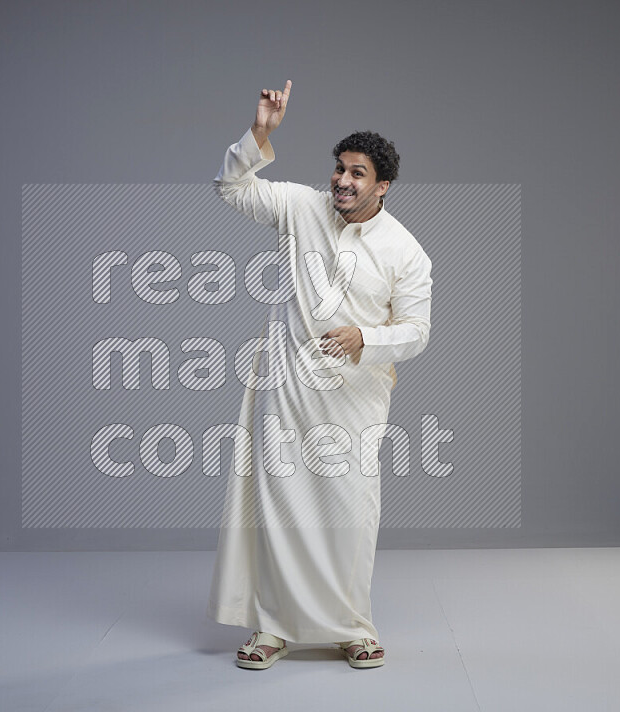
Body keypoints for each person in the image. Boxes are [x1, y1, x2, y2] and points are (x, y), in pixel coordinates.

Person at [206, 79, 433, 669]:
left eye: (358, 173)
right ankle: (273, 628)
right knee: (280, 505)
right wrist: (260, 133)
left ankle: (353, 625)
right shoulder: (300, 206)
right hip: (285, 387)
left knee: (349, 510)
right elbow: (231, 188)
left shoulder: (406, 251)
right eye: (339, 168)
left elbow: (416, 331)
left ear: (382, 186)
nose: (342, 180)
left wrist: (367, 338)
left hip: (355, 398)